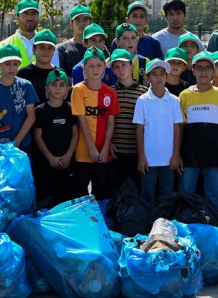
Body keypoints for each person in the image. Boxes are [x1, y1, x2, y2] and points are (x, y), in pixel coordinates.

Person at [178, 52, 218, 206]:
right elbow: (180, 128)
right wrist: (178, 154)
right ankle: (185, 226)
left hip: (215, 156)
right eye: (200, 68)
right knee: (186, 192)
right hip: (189, 156)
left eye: (208, 68)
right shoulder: (184, 96)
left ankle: (213, 227)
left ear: (213, 71)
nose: (203, 72)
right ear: (193, 70)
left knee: (212, 194)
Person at [71, 48, 119, 200]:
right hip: (83, 152)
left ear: (105, 67)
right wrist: (91, 147)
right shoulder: (78, 90)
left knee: (101, 193)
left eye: (99, 65)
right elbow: (82, 120)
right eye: (91, 66)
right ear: (84, 69)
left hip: (103, 153)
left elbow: (111, 122)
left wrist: (106, 147)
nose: (95, 69)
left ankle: (100, 223)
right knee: (81, 194)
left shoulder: (110, 92)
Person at [134, 60, 184, 201]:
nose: (159, 77)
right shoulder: (142, 100)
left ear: (167, 77)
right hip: (149, 159)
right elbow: (139, 130)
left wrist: (176, 155)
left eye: (162, 74)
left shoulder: (175, 101)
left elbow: (177, 129)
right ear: (148, 78)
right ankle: (148, 222)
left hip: (168, 159)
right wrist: (141, 157)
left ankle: (164, 222)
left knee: (167, 196)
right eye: (154, 74)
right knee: (147, 195)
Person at [0, 0, 60, 83]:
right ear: (17, 17)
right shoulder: (4, 45)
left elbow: (55, 74)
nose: (30, 18)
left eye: (33, 13)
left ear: (38, 16)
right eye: (25, 13)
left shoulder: (49, 44)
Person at [0, 44, 38, 152]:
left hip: (23, 144)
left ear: (19, 64)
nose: (11, 68)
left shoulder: (26, 85)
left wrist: (16, 142)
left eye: (15, 64)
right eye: (7, 64)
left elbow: (31, 117)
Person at [34, 69, 78, 203]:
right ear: (47, 88)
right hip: (47, 162)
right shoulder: (40, 110)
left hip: (67, 161)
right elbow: (38, 136)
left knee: (66, 199)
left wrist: (69, 155)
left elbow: (75, 134)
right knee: (47, 200)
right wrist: (50, 157)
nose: (58, 88)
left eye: (61, 84)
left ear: (67, 89)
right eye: (54, 84)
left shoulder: (71, 109)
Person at [109, 48, 148, 198]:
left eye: (123, 65)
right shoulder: (110, 92)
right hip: (116, 152)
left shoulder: (144, 92)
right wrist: (109, 142)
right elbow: (107, 121)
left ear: (132, 66)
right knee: (115, 192)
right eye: (116, 66)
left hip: (137, 153)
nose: (120, 69)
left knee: (136, 193)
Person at [18, 29, 59, 105]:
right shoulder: (23, 74)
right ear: (34, 50)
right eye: (42, 47)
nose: (46, 51)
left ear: (54, 51)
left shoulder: (59, 73)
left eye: (49, 48)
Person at [57, 5, 92, 74]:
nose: (81, 23)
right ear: (71, 24)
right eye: (77, 20)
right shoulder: (62, 49)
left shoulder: (99, 48)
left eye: (85, 20)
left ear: (90, 22)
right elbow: (61, 77)